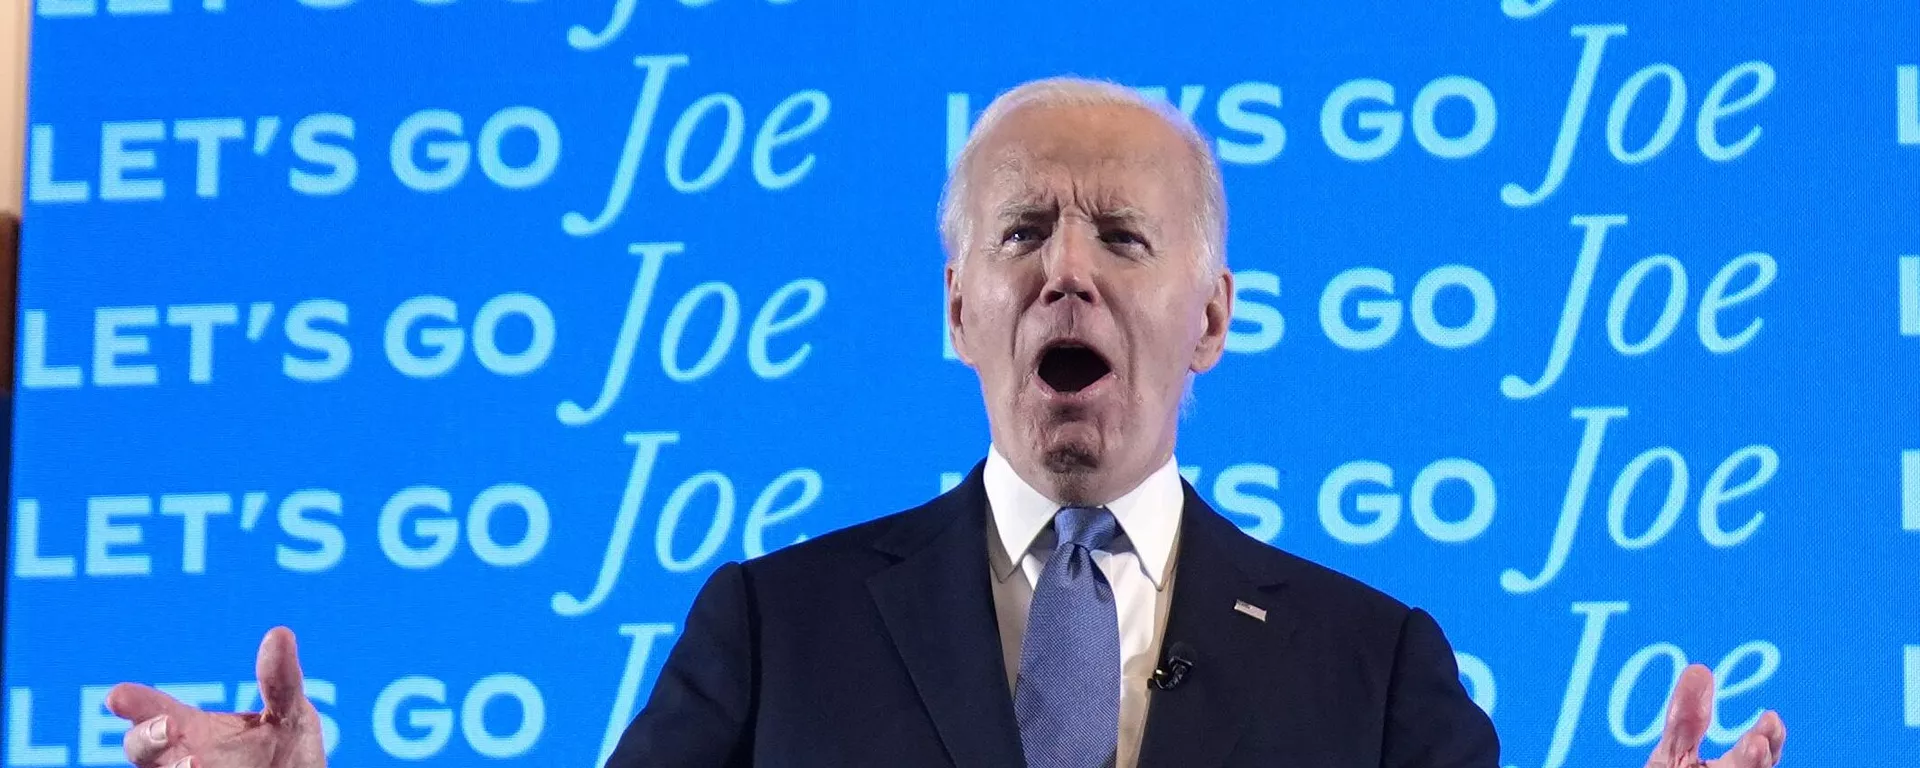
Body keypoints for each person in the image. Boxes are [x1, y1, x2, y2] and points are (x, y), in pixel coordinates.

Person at [104, 78, 1789, 768]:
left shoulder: (1374, 665)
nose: (1069, 275)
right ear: (956, 307)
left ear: (1210, 320)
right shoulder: (774, 630)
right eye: (1022, 238)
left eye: (1123, 240)